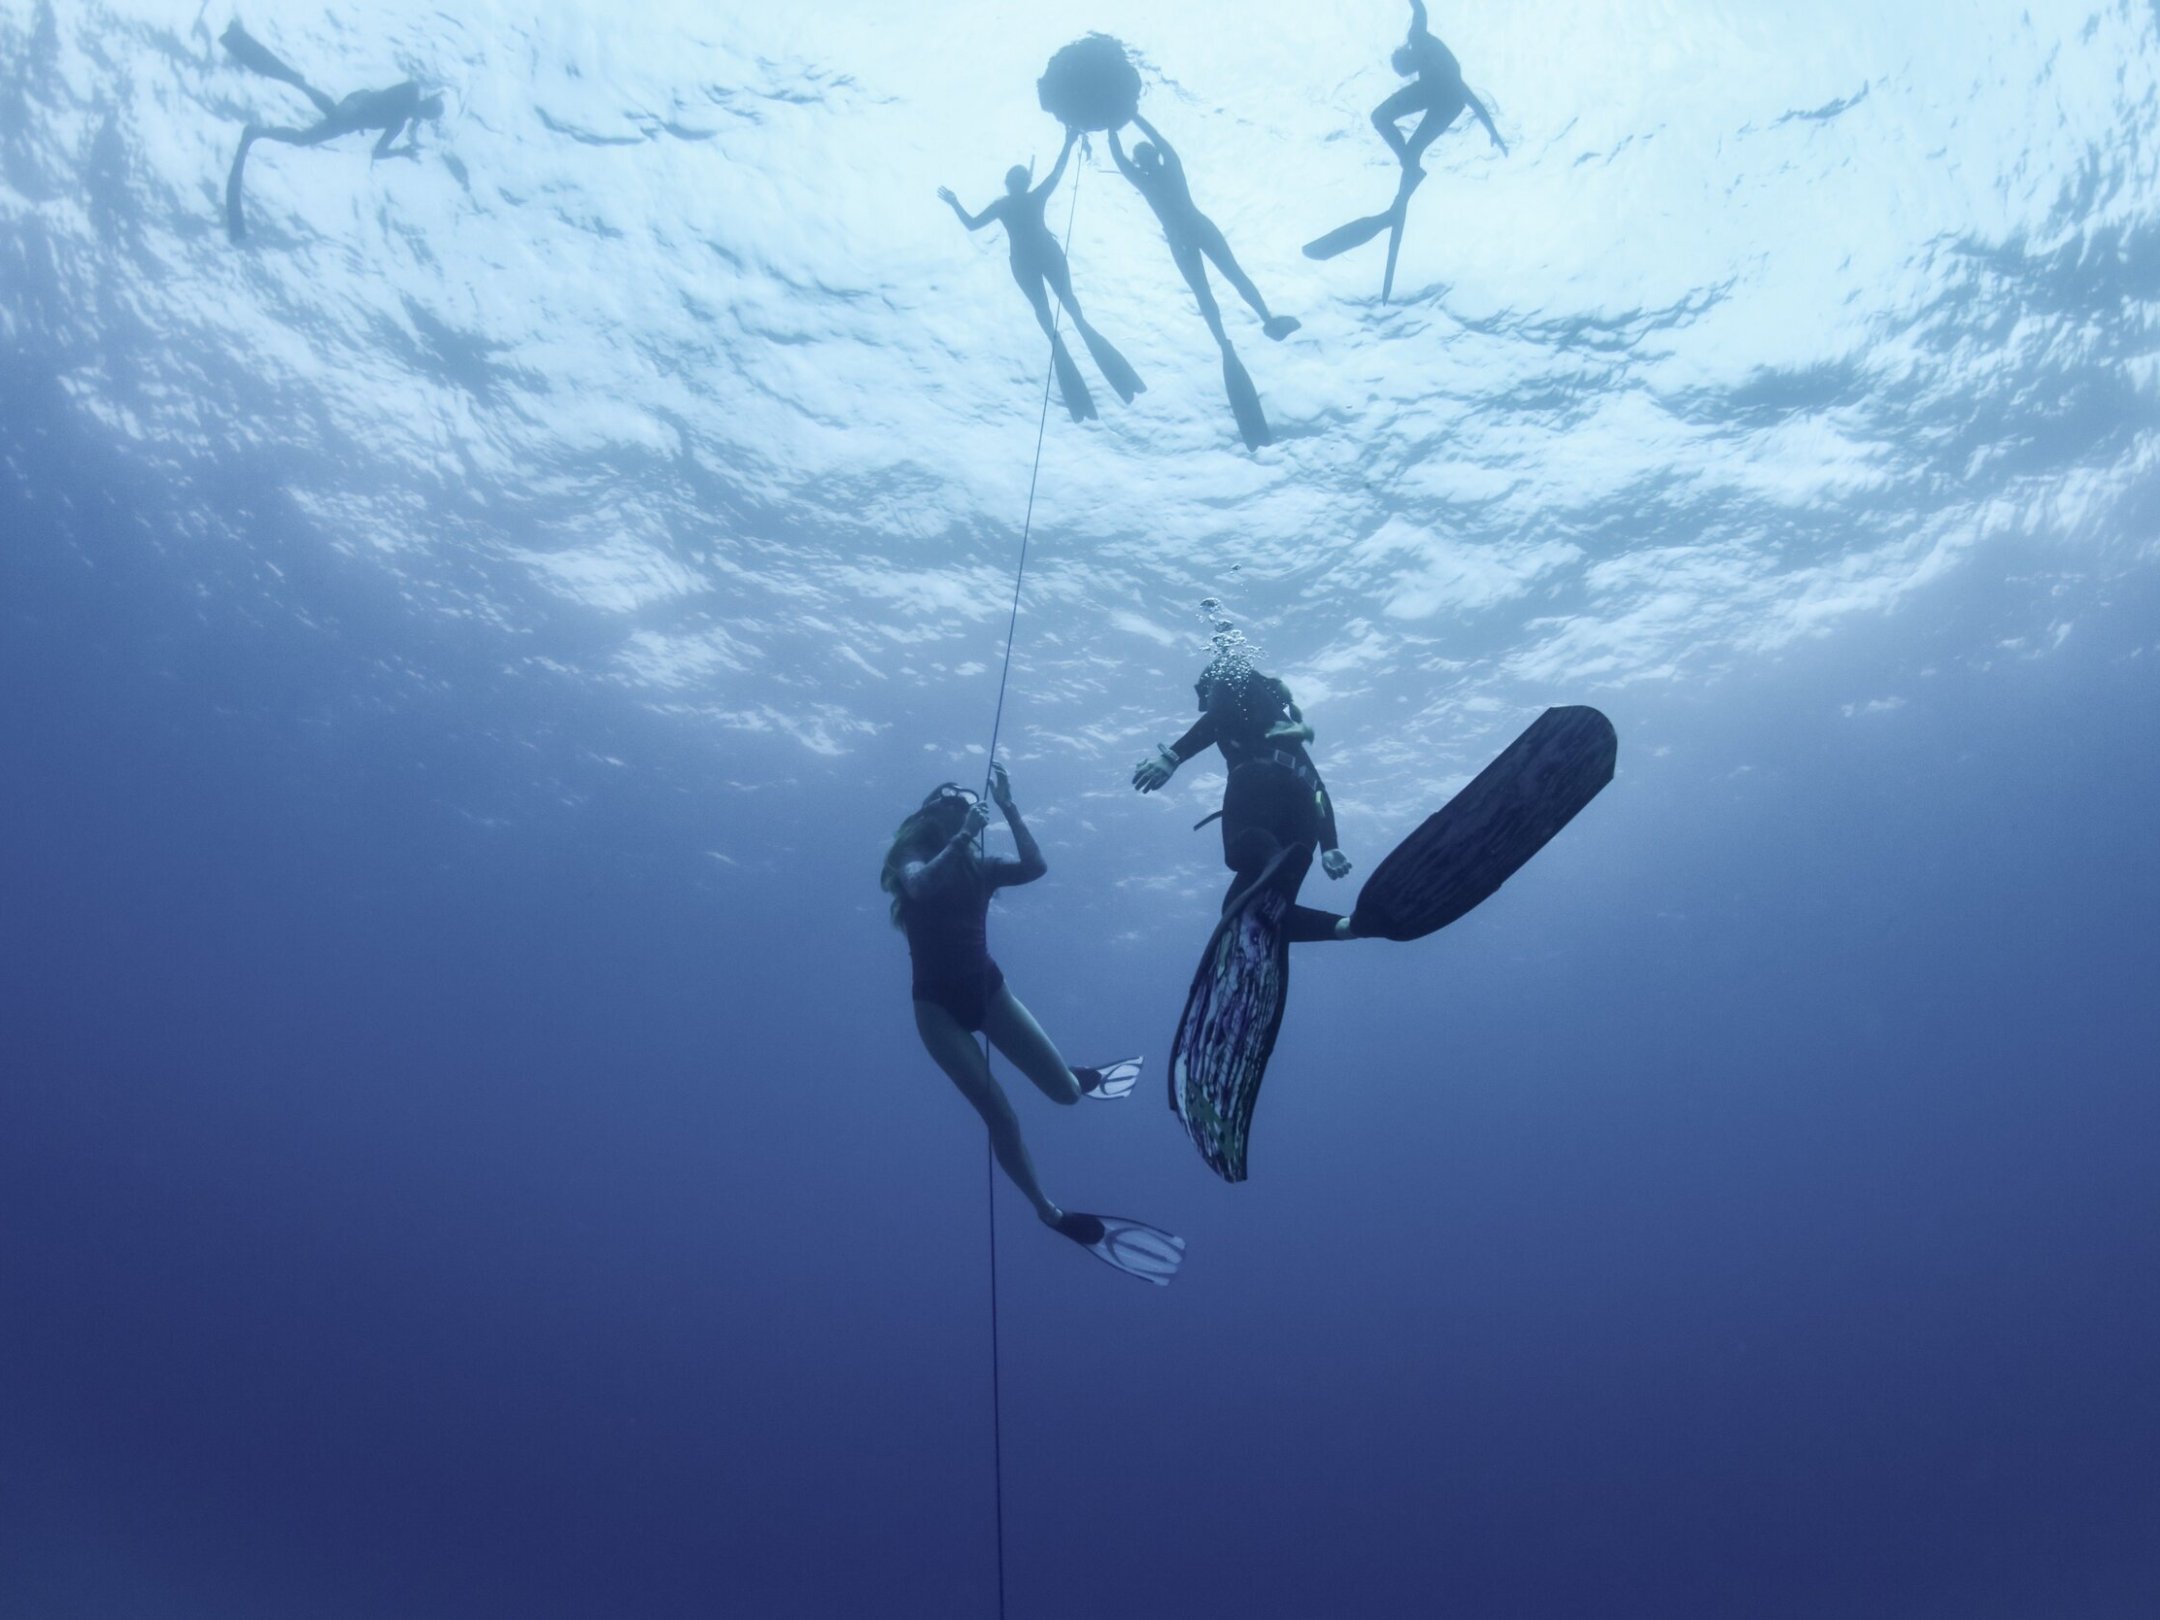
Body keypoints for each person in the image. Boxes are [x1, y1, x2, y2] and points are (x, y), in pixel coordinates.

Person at [882, 769, 1183, 1284]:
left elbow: (1036, 866)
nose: (966, 806)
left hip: (989, 990)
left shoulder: (983, 866)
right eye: (955, 800)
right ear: (932, 812)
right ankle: (1050, 1212)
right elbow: (922, 885)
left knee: (1065, 1095)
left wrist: (1010, 807)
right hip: (936, 1011)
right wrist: (960, 836)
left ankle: (1074, 1076)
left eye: (972, 805)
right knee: (1001, 1117)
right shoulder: (907, 862)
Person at [1132, 655, 1356, 941]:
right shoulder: (1285, 723)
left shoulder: (1229, 679)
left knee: (1239, 852)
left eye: (1203, 693)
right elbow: (1319, 787)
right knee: (1246, 911)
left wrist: (1172, 756)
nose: (1203, 702)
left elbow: (1218, 715)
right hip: (1304, 811)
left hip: (1256, 782)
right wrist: (1329, 846)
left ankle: (1273, 856)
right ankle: (1348, 926)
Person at [938, 131, 1144, 423]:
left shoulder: (1004, 204)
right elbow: (1057, 173)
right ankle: (1074, 335)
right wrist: (1068, 141)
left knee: (1048, 311)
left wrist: (955, 202)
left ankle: (1059, 341)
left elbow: (972, 224)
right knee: (1068, 308)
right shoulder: (1032, 197)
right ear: (1023, 182)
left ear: (1011, 184)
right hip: (1045, 255)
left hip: (1025, 262)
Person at [221, 20, 445, 242]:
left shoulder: (399, 124)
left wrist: (401, 152)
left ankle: (258, 131)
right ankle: (292, 91)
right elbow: (409, 90)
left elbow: (378, 152)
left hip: (350, 123)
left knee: (303, 139)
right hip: (357, 104)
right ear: (426, 103)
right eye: (426, 110)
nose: (421, 114)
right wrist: (411, 118)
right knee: (334, 115)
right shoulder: (411, 92)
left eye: (426, 114)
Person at [1107, 114, 1299, 348]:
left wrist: (1117, 120)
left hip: (1184, 235)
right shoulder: (1163, 171)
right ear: (1144, 159)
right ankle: (1241, 332)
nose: (1143, 157)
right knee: (1221, 281)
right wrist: (1124, 116)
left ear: (1141, 159)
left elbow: (1127, 154)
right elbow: (1134, 151)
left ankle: (1236, 336)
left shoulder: (1153, 176)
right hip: (1193, 229)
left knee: (1216, 283)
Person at [1371, 0, 1506, 171]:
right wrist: (1493, 132)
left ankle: (1410, 169)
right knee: (1396, 138)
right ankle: (1410, 176)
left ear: (1407, 54)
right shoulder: (1428, 71)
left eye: (1406, 67)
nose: (1410, 71)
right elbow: (1474, 102)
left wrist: (1493, 132)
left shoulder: (1418, 37)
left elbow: (1420, 9)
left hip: (1449, 101)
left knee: (1385, 124)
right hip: (1438, 95)